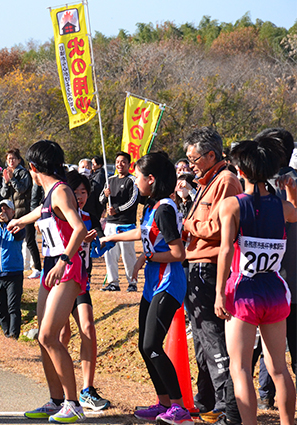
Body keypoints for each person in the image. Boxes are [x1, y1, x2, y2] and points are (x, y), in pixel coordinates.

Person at [102, 153, 193, 424]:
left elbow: (178, 253)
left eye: (138, 177)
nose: (135, 182)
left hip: (169, 283)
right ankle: (163, 403)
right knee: (145, 346)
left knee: (152, 344)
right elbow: (144, 234)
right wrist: (112, 236)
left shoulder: (165, 208)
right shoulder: (152, 206)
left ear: (151, 179)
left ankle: (180, 408)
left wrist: (148, 256)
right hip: (152, 284)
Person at [214, 138, 297, 425]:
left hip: (243, 291)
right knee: (279, 368)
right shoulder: (283, 207)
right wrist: (291, 191)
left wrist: (217, 294)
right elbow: (295, 214)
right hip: (274, 290)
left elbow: (225, 250)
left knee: (239, 368)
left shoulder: (231, 206)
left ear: (242, 170)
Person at [8, 140, 87, 423]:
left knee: (47, 336)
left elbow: (79, 228)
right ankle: (56, 400)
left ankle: (73, 403)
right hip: (51, 266)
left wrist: (65, 260)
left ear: (32, 168)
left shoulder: (61, 191)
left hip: (66, 267)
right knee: (44, 338)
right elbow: (43, 214)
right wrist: (20, 220)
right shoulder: (49, 193)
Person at [183, 127, 242, 425]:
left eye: (194, 158)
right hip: (194, 266)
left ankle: (228, 408)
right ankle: (206, 400)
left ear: (211, 155)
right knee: (202, 343)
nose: (191, 164)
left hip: (209, 266)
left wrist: (189, 225)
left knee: (214, 341)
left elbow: (221, 229)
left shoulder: (226, 181)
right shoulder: (206, 182)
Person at [60, 170, 110, 411]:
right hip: (60, 280)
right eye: (75, 191)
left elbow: (94, 251)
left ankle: (87, 390)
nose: (79, 196)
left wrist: (99, 242)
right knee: (61, 336)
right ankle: (59, 392)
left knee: (88, 327)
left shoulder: (89, 217)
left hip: (81, 282)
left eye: (83, 192)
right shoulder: (59, 214)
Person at [0, 199, 25, 339]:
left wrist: (8, 222)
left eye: (7, 209)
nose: (3, 211)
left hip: (14, 272)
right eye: (1, 208)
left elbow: (19, 236)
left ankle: (14, 334)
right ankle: (7, 332)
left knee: (13, 306)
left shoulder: (18, 225)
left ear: (13, 212)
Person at [99, 151, 140, 292]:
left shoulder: (132, 181)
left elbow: (133, 201)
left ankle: (132, 282)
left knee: (128, 254)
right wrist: (105, 195)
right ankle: (113, 282)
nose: (120, 164)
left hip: (126, 224)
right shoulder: (110, 180)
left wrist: (118, 209)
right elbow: (100, 199)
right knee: (109, 254)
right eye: (117, 162)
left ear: (129, 164)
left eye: (123, 161)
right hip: (110, 224)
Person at [0, 148, 42, 280]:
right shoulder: (6, 173)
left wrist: (12, 179)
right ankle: (18, 265)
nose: (10, 161)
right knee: (14, 240)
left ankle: (38, 268)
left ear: (18, 160)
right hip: (13, 211)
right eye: (8, 159)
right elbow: (3, 194)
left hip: (25, 210)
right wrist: (6, 182)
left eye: (13, 158)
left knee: (29, 240)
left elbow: (22, 189)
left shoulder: (23, 173)